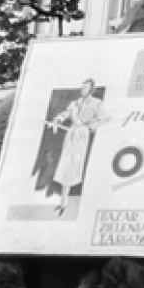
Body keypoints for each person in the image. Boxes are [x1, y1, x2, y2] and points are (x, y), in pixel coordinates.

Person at [49, 79, 107, 216]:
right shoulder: (74, 103)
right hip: (71, 134)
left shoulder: (97, 103)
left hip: (82, 135)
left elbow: (101, 118)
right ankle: (63, 202)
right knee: (65, 166)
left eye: (85, 88)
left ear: (91, 90)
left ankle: (68, 203)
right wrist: (58, 119)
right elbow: (66, 114)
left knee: (74, 166)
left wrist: (90, 127)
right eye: (82, 88)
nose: (82, 90)